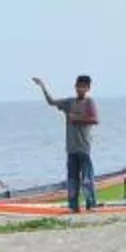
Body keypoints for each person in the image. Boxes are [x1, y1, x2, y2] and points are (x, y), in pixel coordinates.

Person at [33, 73, 100, 211]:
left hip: (84, 147)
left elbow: (94, 119)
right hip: (71, 148)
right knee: (72, 180)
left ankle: (91, 204)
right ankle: (73, 206)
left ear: (88, 88)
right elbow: (51, 102)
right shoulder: (69, 102)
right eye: (78, 86)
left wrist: (76, 118)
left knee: (87, 178)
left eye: (83, 87)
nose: (79, 89)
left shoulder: (89, 102)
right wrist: (42, 87)